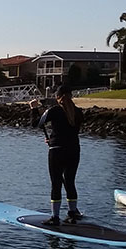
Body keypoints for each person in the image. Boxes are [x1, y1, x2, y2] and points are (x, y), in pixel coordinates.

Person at [30, 83, 83, 226]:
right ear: (71, 96)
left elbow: (36, 123)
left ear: (57, 97)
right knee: (70, 182)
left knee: (56, 183)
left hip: (57, 150)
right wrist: (53, 139)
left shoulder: (54, 110)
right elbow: (69, 130)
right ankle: (72, 213)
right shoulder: (78, 112)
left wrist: (34, 109)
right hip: (74, 150)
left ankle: (55, 217)